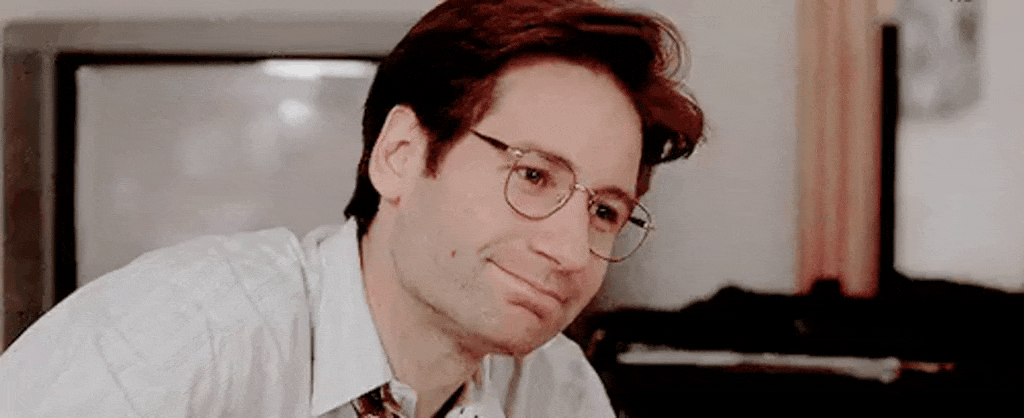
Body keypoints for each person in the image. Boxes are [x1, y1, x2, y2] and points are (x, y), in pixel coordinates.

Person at [0, 0, 704, 416]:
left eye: (604, 212)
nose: (571, 252)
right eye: (533, 175)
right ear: (400, 154)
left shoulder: (555, 390)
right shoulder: (180, 342)